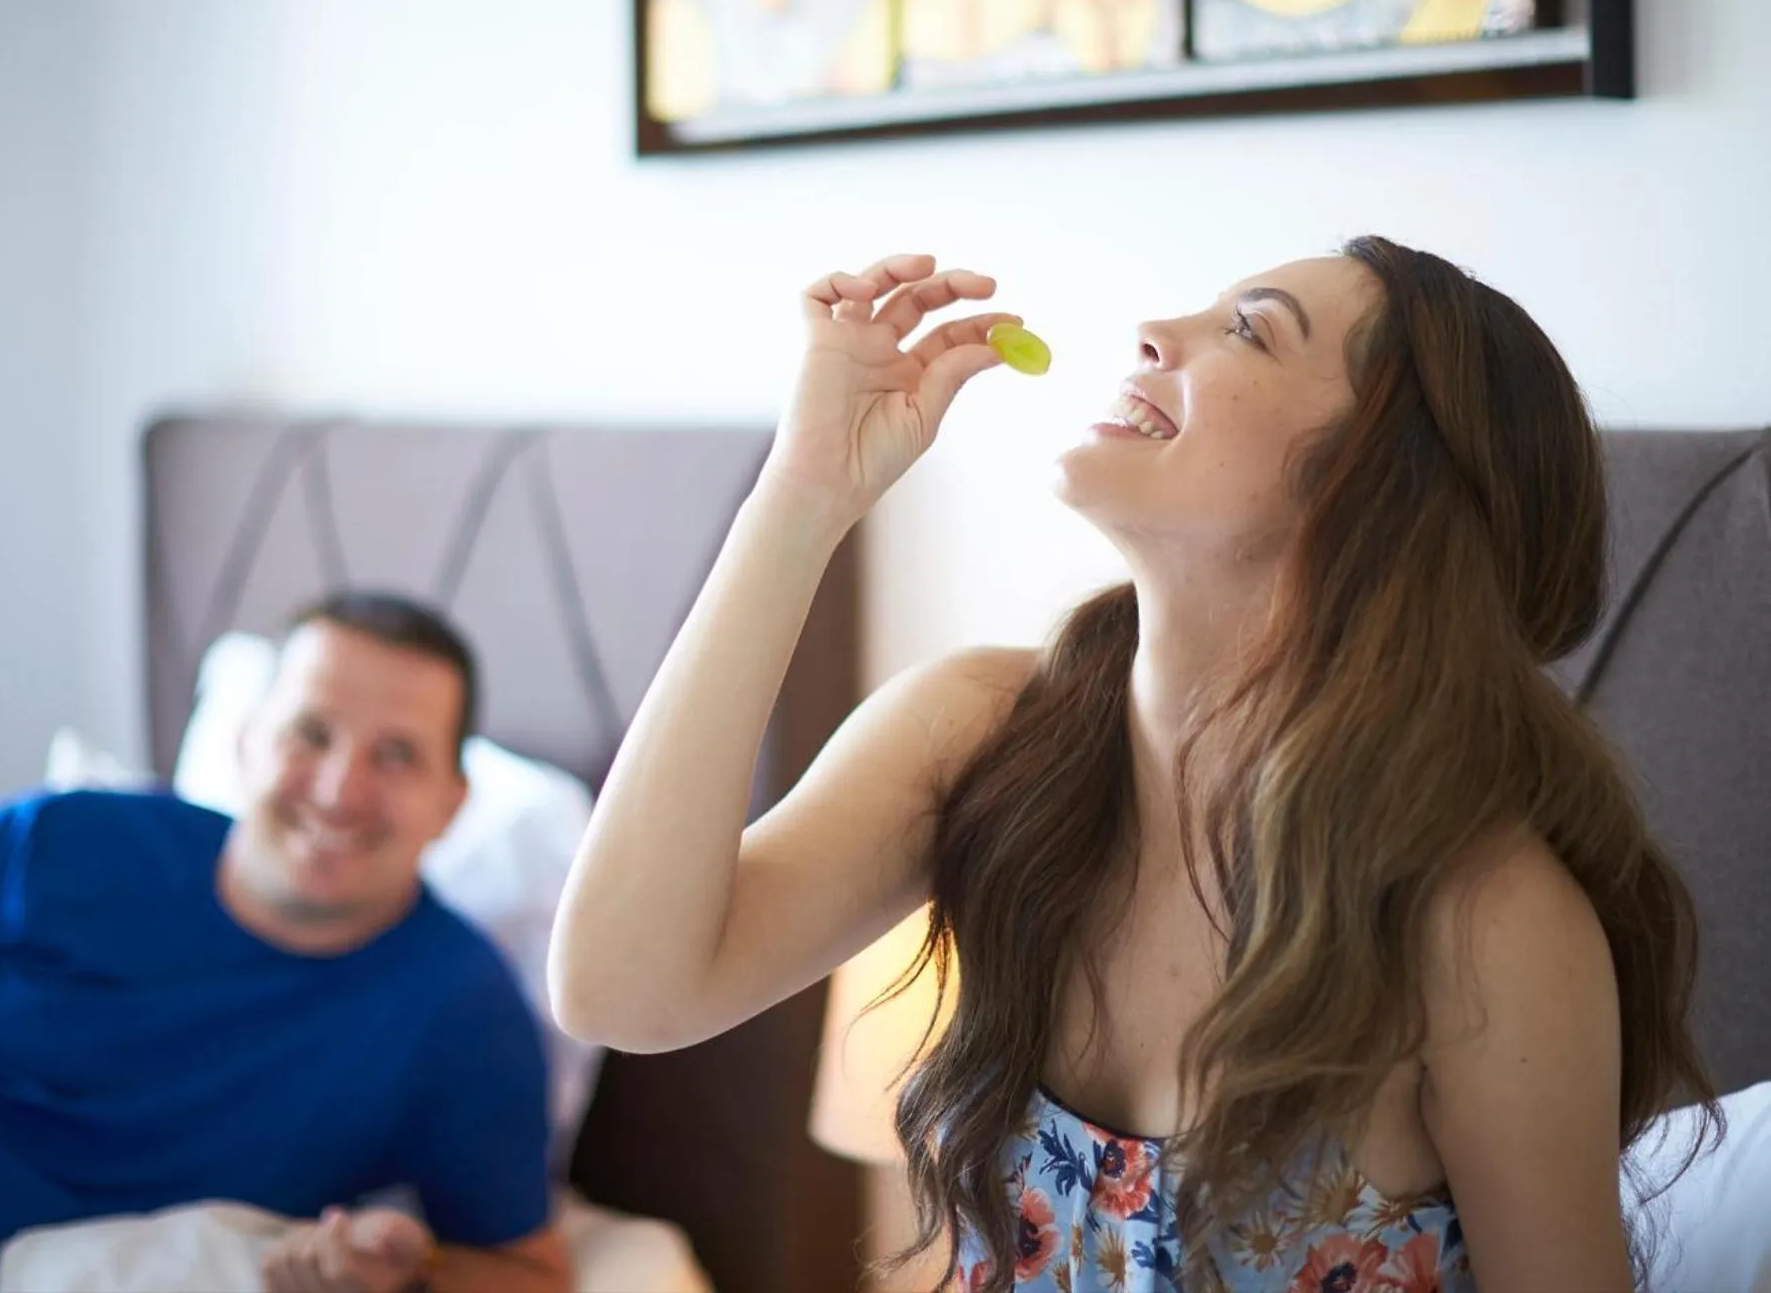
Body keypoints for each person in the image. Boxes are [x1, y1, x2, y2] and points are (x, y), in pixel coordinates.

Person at [549, 245, 1718, 1293]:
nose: (1158, 328)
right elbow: (623, 989)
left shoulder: (1480, 923)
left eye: (1250, 328)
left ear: (1380, 493)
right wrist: (803, 493)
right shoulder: (980, 737)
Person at [0, 592, 571, 1293]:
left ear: (453, 803)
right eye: (310, 734)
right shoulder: (63, 839)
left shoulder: (462, 1015)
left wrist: (406, 1273)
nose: (341, 789)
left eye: (396, 756)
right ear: (248, 742)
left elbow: (529, 1273)